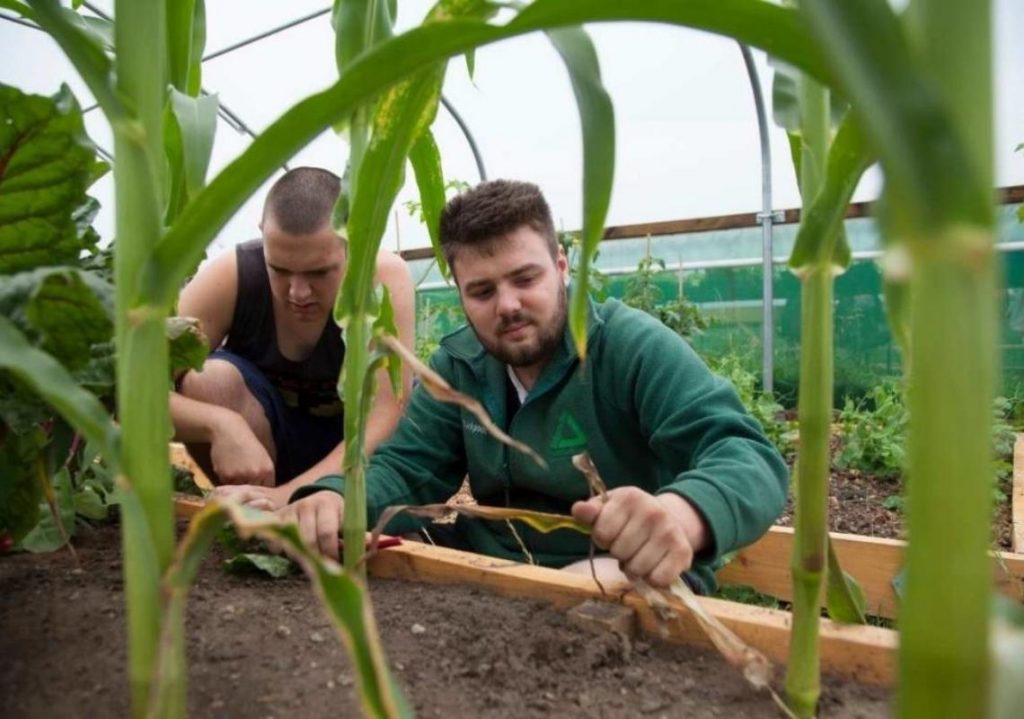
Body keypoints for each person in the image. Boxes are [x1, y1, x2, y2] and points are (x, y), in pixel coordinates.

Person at [280, 179, 787, 592]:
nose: (507, 305)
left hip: (618, 566)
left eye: (525, 279)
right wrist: (333, 498)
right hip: (493, 560)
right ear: (460, 295)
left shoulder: (627, 346)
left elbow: (744, 453)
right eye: (482, 290)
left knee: (593, 594)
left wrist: (681, 514)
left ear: (562, 267)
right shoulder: (460, 365)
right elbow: (407, 467)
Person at [171, 167, 414, 510]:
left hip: (355, 464)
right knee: (207, 380)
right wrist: (219, 424)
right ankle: (253, 516)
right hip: (264, 454)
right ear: (263, 234)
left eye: (319, 272)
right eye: (280, 270)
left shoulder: (382, 278)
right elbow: (134, 391)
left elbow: (386, 414)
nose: (298, 292)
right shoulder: (233, 275)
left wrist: (291, 495)